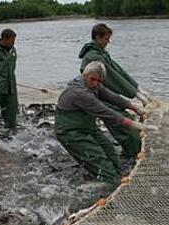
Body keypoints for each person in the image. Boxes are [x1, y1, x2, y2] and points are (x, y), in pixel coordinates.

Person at [56, 61, 156, 184]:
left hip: (87, 127)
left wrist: (135, 108)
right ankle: (114, 183)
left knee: (109, 150)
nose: (95, 84)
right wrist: (137, 125)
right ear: (85, 76)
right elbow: (107, 113)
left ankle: (117, 174)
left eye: (99, 81)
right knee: (97, 158)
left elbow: (112, 97)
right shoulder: (80, 93)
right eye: (93, 80)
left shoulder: (95, 85)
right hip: (70, 131)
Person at [78, 23, 152, 161]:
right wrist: (134, 94)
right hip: (98, 97)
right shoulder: (93, 56)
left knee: (124, 123)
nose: (108, 42)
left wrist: (137, 87)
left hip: (106, 95)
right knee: (123, 126)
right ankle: (134, 155)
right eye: (106, 39)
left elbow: (119, 71)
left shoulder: (101, 53)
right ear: (98, 38)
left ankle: (130, 152)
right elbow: (113, 78)